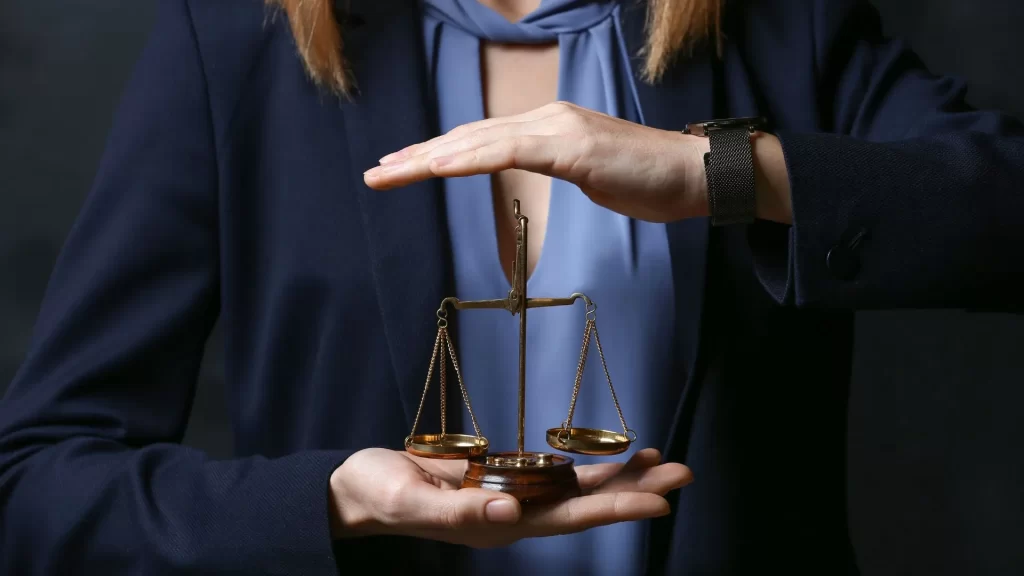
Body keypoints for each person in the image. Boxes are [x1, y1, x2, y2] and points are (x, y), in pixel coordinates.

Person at [1, 0, 1022, 573]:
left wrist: (718, 172)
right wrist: (327, 503)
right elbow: (41, 484)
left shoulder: (774, 22)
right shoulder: (234, 42)